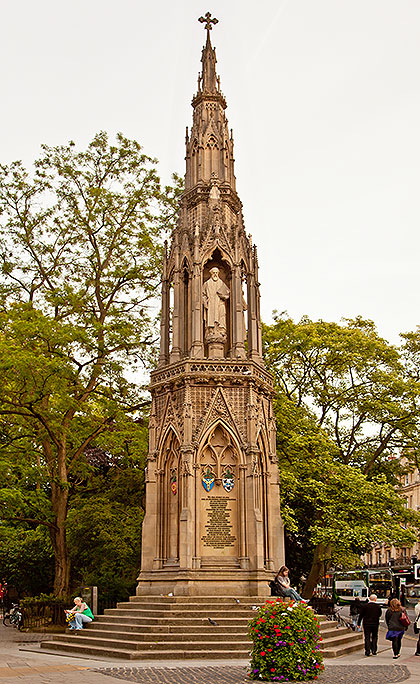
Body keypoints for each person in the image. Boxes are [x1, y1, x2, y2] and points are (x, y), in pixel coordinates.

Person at [202, 267, 229, 333]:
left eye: (216, 272)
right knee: (211, 319)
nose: (215, 274)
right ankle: (211, 331)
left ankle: (221, 331)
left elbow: (227, 294)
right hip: (211, 304)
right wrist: (205, 302)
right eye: (213, 273)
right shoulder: (206, 284)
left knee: (221, 318)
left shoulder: (221, 283)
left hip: (219, 304)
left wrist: (222, 295)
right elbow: (203, 294)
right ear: (211, 273)